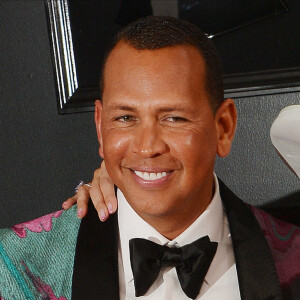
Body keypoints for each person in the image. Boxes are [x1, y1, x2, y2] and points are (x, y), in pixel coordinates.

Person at [0, 16, 299, 300]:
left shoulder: (293, 259)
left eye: (174, 118)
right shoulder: (15, 267)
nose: (146, 147)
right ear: (101, 126)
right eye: (126, 117)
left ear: (223, 128)